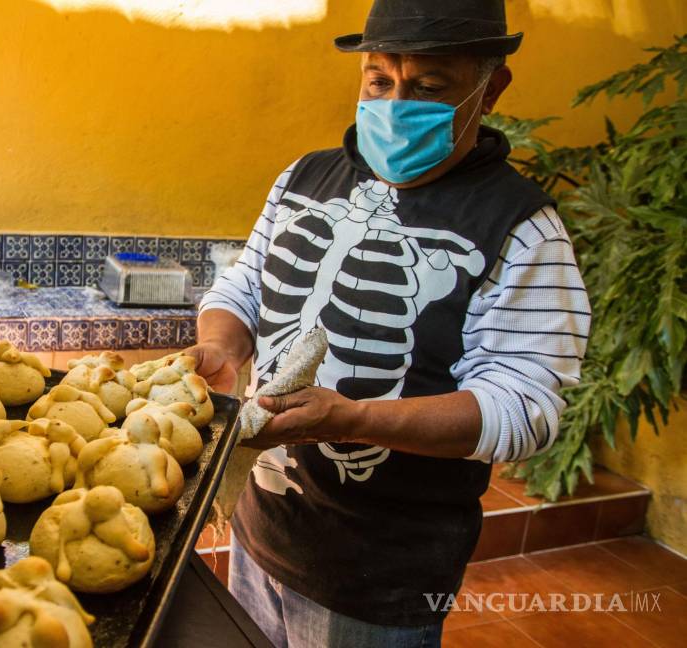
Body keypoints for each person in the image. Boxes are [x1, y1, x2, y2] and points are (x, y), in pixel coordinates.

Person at [187, 1, 591, 646]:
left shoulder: (522, 227)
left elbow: (526, 409)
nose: (398, 104)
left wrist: (353, 420)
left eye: (430, 88)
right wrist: (220, 346)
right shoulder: (306, 177)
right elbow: (244, 283)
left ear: (491, 90)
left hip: (380, 575)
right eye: (380, 81)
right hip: (263, 529)